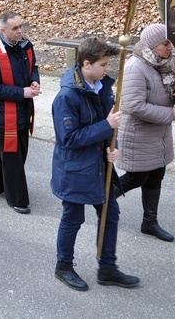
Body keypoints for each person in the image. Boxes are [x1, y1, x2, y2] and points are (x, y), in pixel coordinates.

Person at [51, 37, 140, 291]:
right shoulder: (66, 97)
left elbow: (109, 127)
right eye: (103, 64)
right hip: (76, 170)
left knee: (110, 215)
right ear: (86, 64)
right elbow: (68, 139)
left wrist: (113, 148)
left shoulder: (102, 88)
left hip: (101, 168)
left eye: (108, 64)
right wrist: (106, 127)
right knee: (73, 219)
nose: (107, 69)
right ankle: (63, 266)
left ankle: (108, 268)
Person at [116, 23, 175, 242]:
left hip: (159, 136)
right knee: (136, 177)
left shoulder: (167, 62)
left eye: (170, 43)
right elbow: (133, 106)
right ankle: (103, 196)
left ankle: (150, 222)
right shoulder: (135, 67)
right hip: (139, 135)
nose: (170, 48)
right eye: (165, 44)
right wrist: (171, 115)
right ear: (151, 45)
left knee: (156, 175)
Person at [0, 11, 39, 214]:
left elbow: (34, 67)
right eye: (15, 28)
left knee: (19, 152)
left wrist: (34, 80)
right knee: (13, 157)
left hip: (22, 109)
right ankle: (17, 198)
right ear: (2, 30)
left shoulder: (25, 45)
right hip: (5, 114)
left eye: (21, 26)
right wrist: (23, 92)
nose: (20, 31)